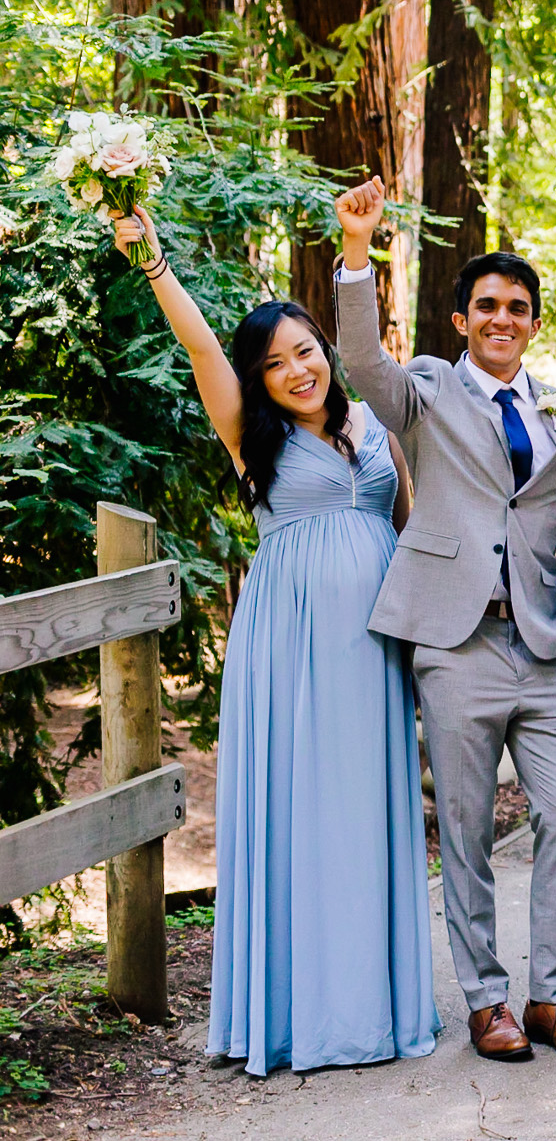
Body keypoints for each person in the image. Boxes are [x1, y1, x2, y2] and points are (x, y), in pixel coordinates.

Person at [112, 209, 438, 1076]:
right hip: (291, 649)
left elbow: (411, 530)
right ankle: (299, 1016)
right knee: (303, 811)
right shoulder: (252, 436)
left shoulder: (377, 424)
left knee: (365, 815)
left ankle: (372, 1008)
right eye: (274, 364)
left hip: (375, 652)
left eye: (304, 351)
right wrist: (153, 261)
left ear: (326, 349)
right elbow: (200, 350)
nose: (296, 371)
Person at [332, 178, 556, 1062]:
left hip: (545, 647)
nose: (502, 318)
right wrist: (357, 249)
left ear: (534, 323)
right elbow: (359, 360)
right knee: (467, 828)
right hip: (455, 643)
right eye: (487, 305)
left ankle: (550, 998)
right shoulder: (425, 391)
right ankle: (486, 1000)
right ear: (461, 320)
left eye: (517, 308)